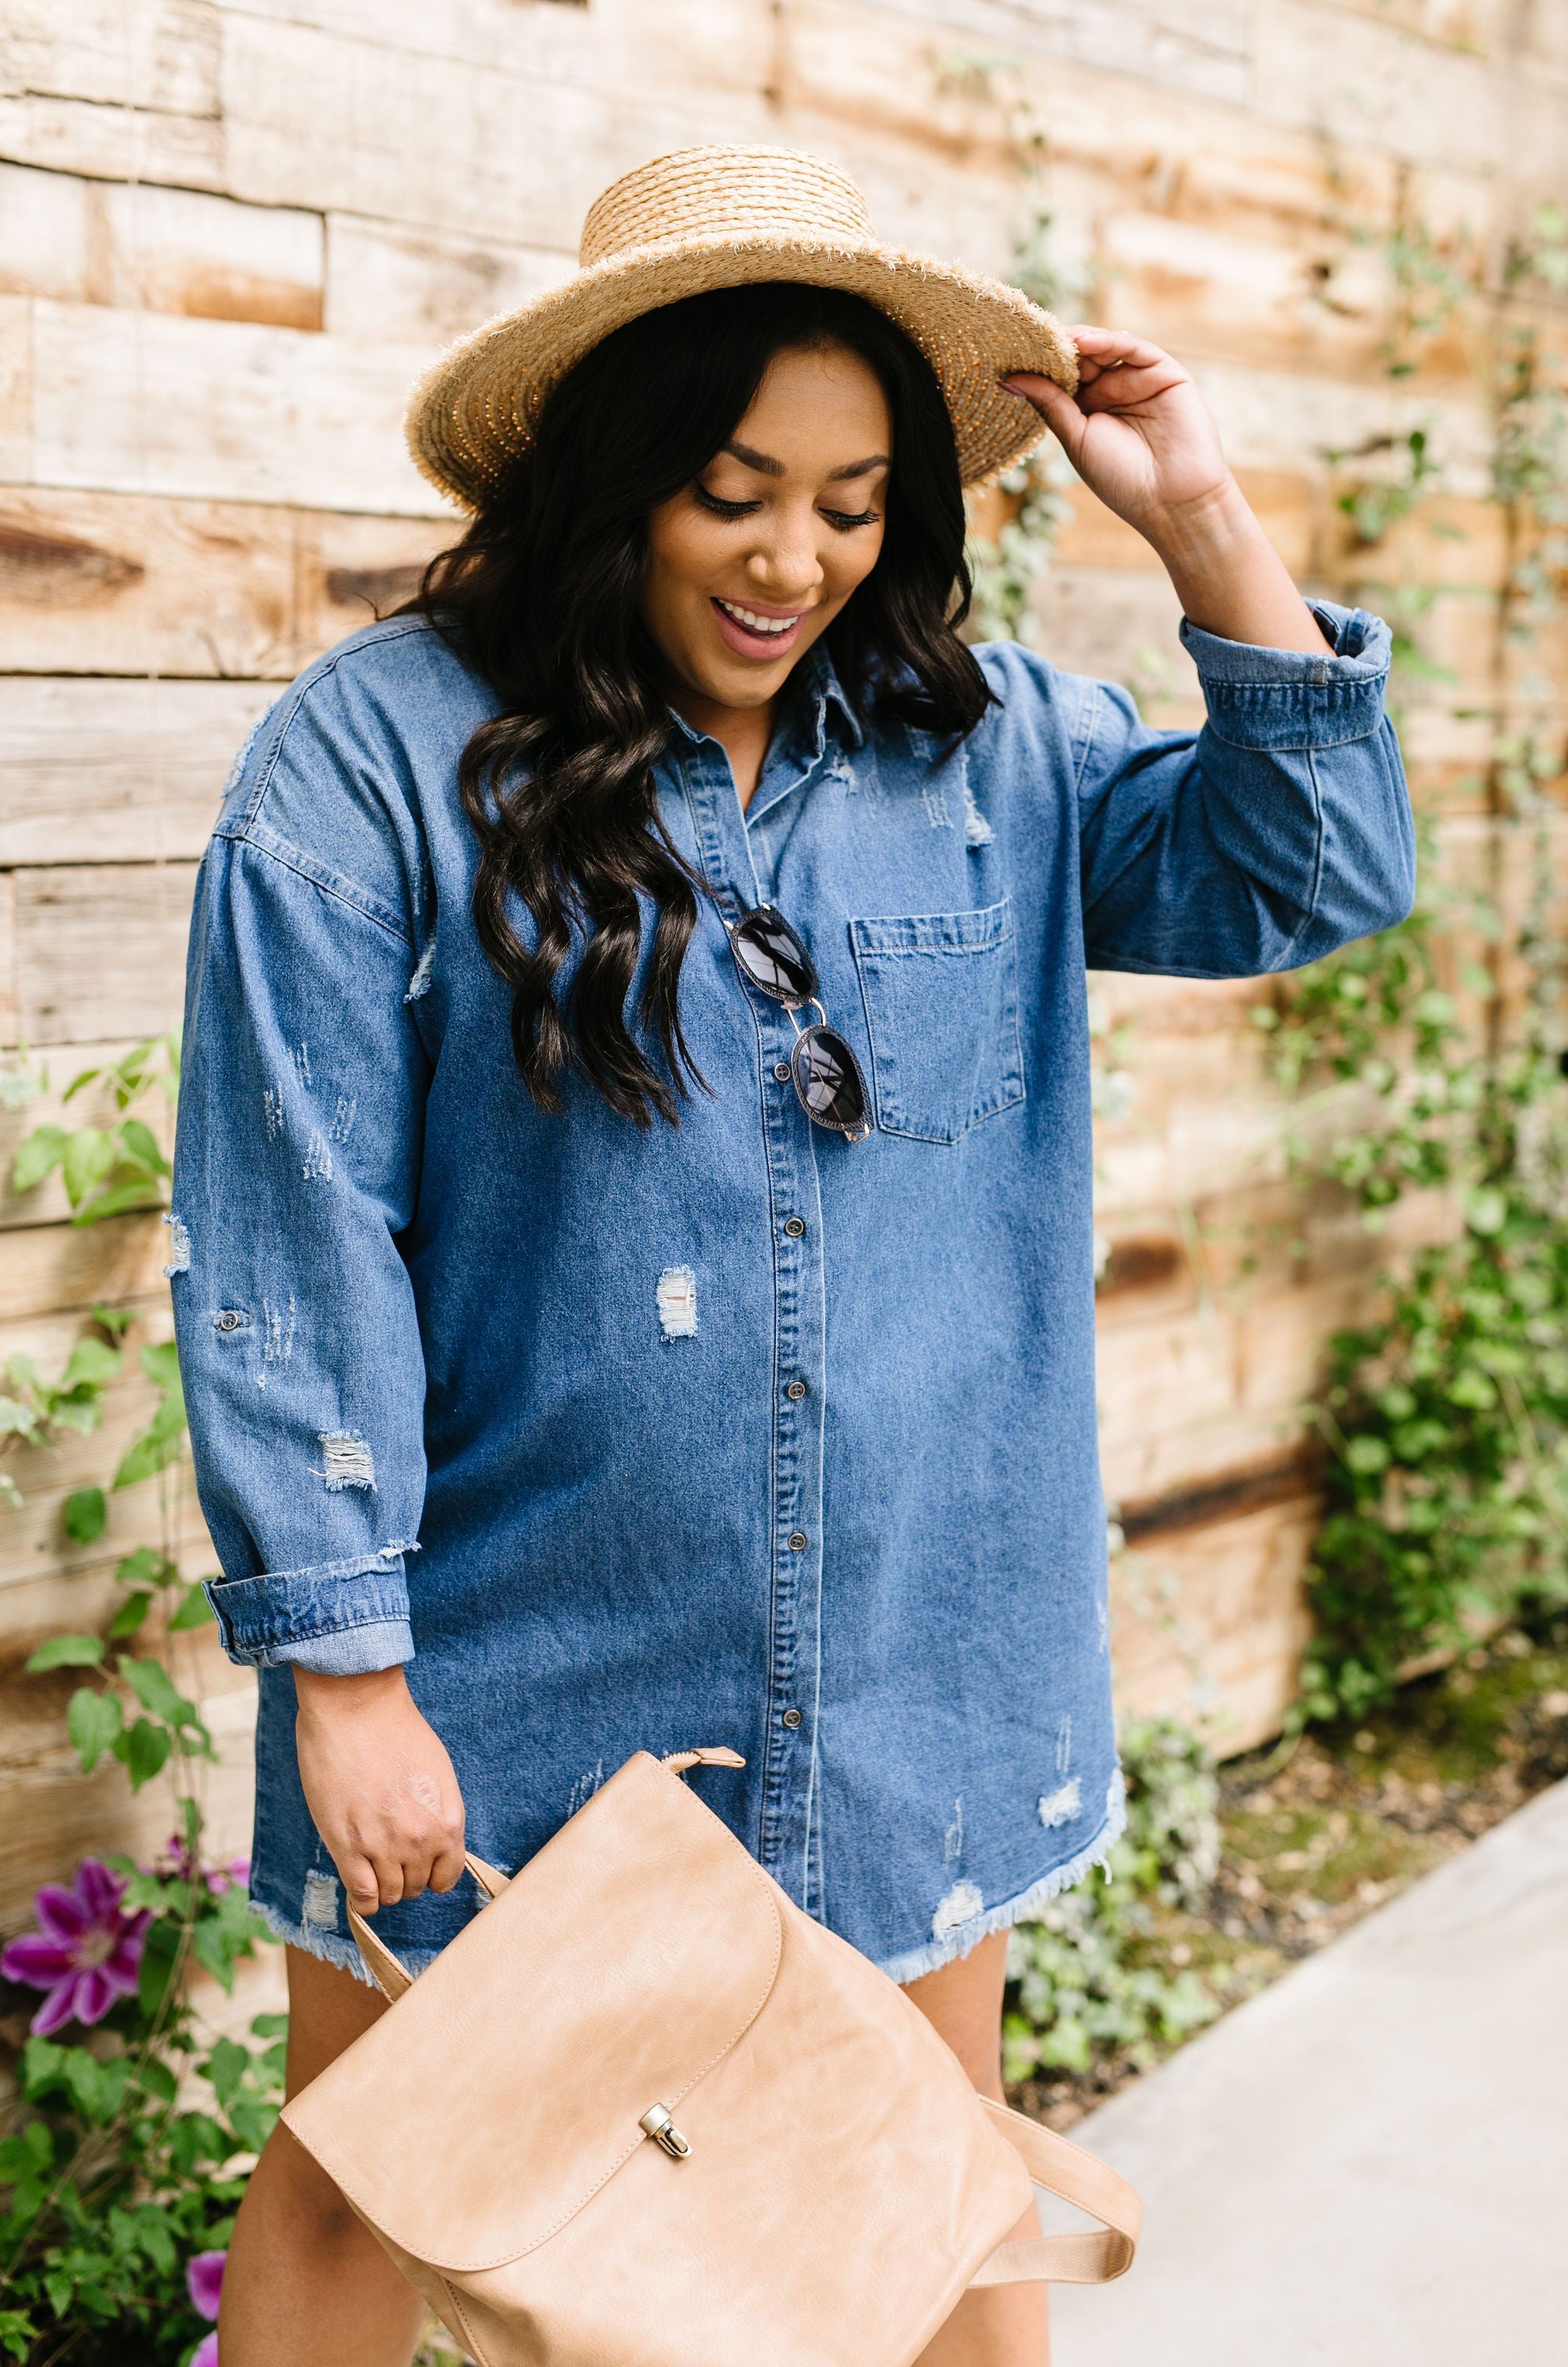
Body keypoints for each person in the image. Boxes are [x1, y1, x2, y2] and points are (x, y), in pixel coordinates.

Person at [170, 145, 1414, 2366]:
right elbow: (291, 1216)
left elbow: (1308, 866)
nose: (794, 559)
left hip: (915, 1640)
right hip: (504, 1653)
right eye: (734, 490)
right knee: (369, 2190)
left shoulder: (998, 747)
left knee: (925, 2193)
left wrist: (1202, 518)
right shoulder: (366, 762)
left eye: (852, 505)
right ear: (607, 470)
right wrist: (344, 1669)